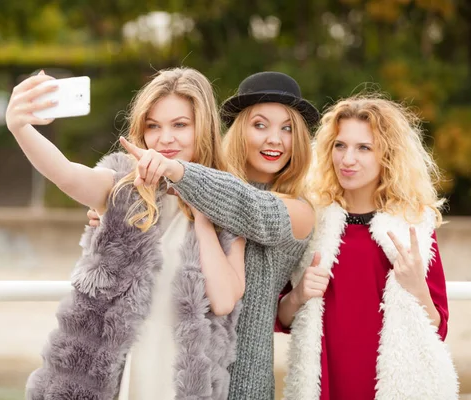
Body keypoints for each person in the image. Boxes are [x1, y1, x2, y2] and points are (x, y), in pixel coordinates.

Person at [6, 67, 246, 400]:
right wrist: (20, 128)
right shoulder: (125, 185)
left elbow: (222, 300)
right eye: (153, 126)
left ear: (203, 128)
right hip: (114, 373)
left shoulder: (228, 201)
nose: (165, 139)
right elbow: (67, 176)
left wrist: (202, 213)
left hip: (180, 379)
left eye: (180, 125)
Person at [109, 71, 318, 400]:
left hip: (242, 383)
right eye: (260, 125)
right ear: (237, 131)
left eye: (287, 128)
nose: (274, 139)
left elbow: (245, 205)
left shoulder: (298, 211)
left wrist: (178, 171)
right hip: (176, 375)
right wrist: (109, 215)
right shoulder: (192, 191)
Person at [280, 96, 459, 400]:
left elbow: (438, 328)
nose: (347, 159)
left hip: (391, 388)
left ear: (387, 155)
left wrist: (418, 288)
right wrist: (298, 295)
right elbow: (281, 318)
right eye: (340, 145)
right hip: (324, 386)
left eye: (363, 147)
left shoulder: (412, 226)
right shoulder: (311, 220)